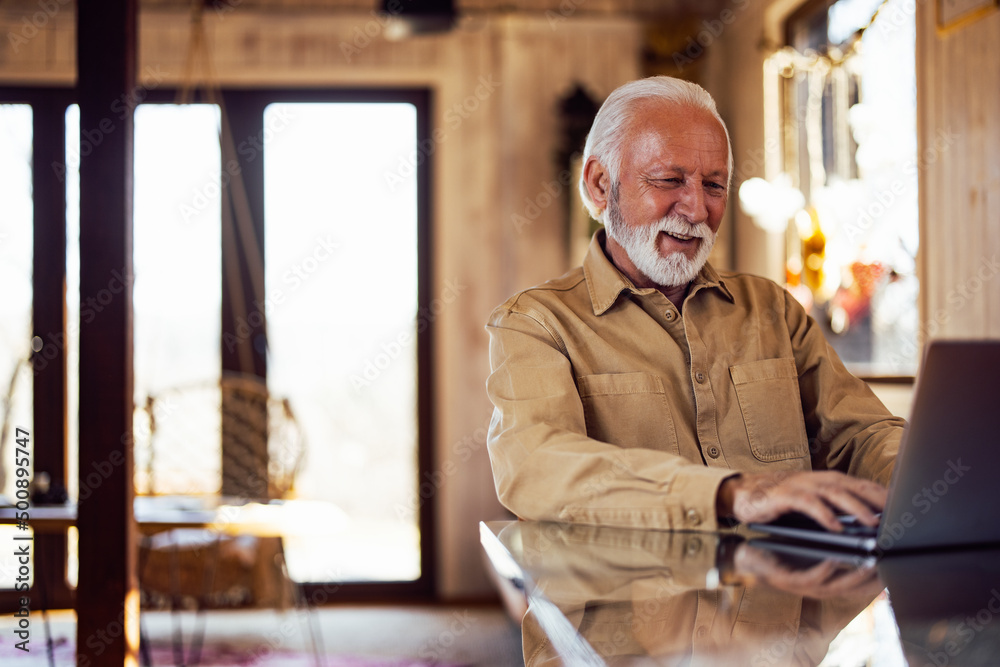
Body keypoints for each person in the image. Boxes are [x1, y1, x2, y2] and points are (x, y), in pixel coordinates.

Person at [485, 76, 903, 535]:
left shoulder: (772, 309)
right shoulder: (535, 324)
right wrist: (729, 495)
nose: (698, 209)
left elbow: (860, 434)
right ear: (602, 184)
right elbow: (537, 466)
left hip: (783, 594)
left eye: (715, 185)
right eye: (669, 180)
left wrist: (924, 477)